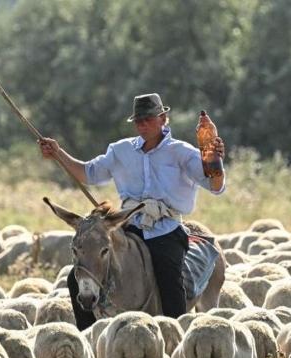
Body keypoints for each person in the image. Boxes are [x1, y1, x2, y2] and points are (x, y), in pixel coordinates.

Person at [38, 93, 226, 330]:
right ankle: (87, 337)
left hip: (165, 230)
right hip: (128, 228)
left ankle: (174, 335)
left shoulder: (183, 152)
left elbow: (215, 187)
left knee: (170, 279)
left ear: (163, 118)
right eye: (138, 121)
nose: (142, 125)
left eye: (148, 119)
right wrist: (58, 153)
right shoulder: (120, 151)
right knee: (76, 278)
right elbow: (87, 173)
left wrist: (216, 164)